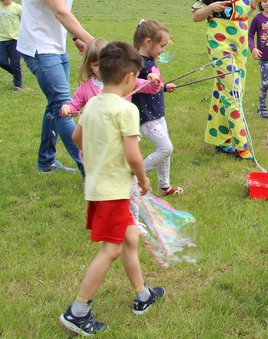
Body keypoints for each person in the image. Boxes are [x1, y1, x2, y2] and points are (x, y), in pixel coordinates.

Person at [59, 42, 165, 335]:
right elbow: (133, 155)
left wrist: (98, 155)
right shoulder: (126, 109)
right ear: (131, 77)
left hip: (97, 187)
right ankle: (78, 311)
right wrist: (143, 179)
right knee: (111, 250)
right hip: (114, 192)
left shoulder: (92, 103)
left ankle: (142, 295)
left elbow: (78, 138)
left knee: (130, 237)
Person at [17, 0, 95, 174]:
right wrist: (93, 42)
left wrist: (75, 39)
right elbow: (60, 11)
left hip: (57, 46)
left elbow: (63, 11)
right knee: (64, 106)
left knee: (55, 105)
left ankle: (46, 161)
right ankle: (90, 170)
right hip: (40, 49)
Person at [191, 0, 261, 160]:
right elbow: (196, 15)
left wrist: (254, 3)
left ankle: (219, 138)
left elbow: (243, 15)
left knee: (227, 89)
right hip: (220, 42)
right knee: (232, 92)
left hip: (240, 41)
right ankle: (241, 146)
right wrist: (211, 8)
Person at [132, 20, 182, 197]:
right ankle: (132, 176)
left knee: (165, 152)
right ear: (148, 42)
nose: (163, 50)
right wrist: (150, 80)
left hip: (157, 113)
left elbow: (153, 85)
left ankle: (164, 187)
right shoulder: (136, 64)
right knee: (165, 149)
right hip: (146, 116)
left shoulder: (149, 60)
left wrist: (164, 85)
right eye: (162, 45)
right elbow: (134, 85)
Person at [59, 39, 160, 119]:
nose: (102, 67)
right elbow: (74, 106)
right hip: (99, 136)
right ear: (89, 66)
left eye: (104, 62)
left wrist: (154, 80)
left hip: (123, 130)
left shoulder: (124, 80)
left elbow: (149, 88)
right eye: (97, 65)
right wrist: (67, 109)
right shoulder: (85, 88)